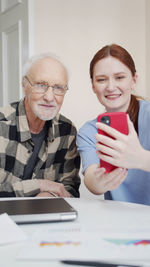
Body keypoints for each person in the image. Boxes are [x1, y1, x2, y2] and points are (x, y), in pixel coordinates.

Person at [77, 43, 150, 205]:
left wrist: (141, 158)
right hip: (119, 222)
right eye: (101, 80)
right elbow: (92, 182)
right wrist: (99, 180)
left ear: (133, 80)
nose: (110, 87)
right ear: (93, 86)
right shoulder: (89, 131)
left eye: (119, 77)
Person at [0, 53, 80, 198]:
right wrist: (39, 185)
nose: (49, 97)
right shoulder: (2, 124)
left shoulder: (67, 131)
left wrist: (49, 196)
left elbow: (71, 189)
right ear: (24, 85)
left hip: (45, 217)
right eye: (41, 85)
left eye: (58, 88)